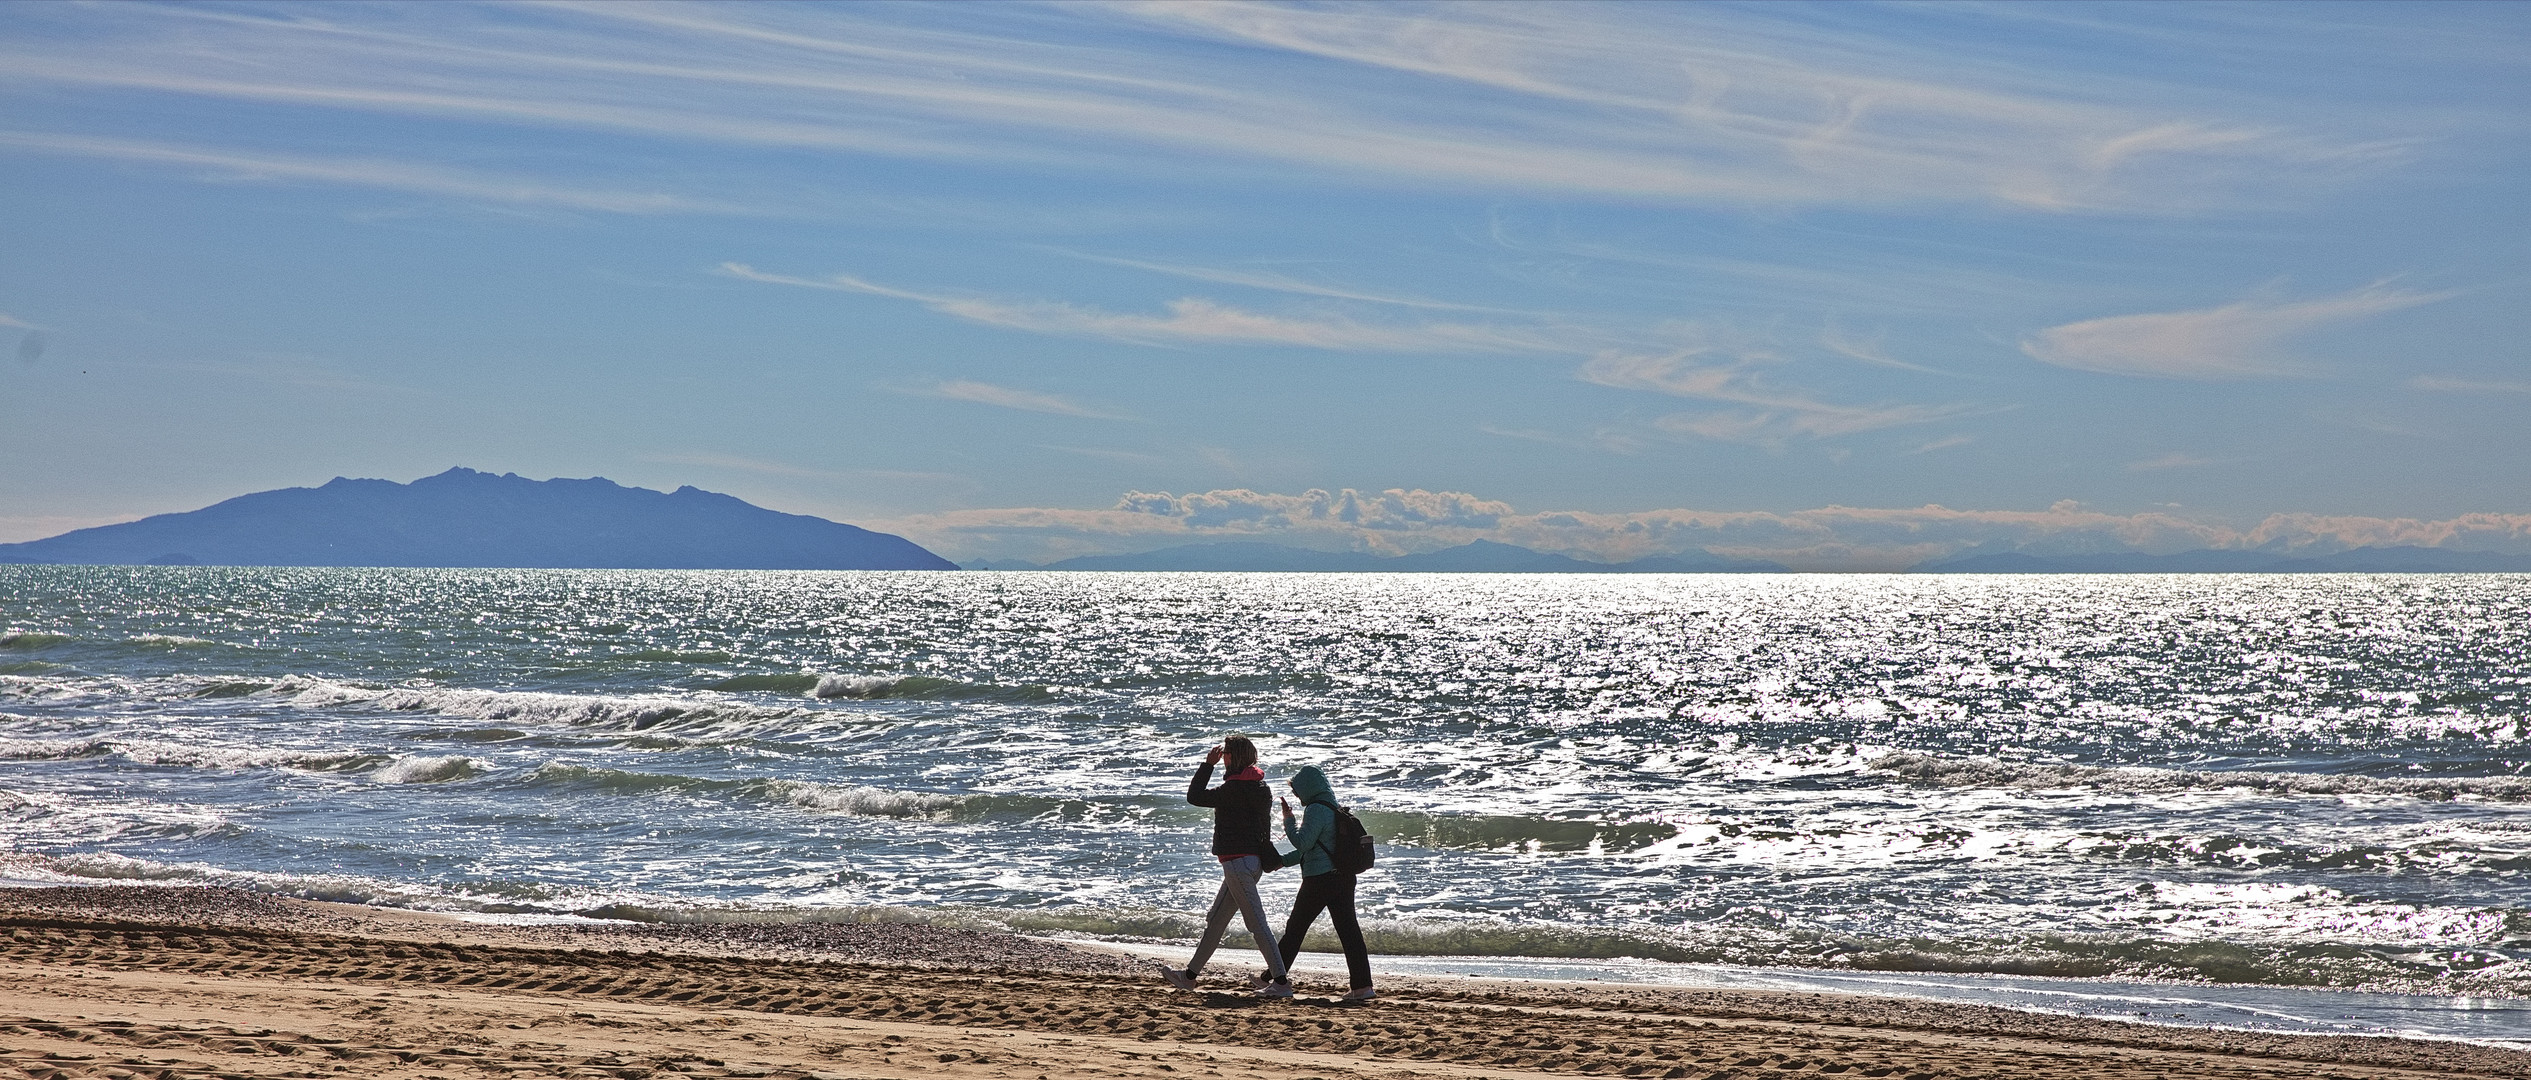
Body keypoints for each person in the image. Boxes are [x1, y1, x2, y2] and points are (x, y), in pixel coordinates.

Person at [1159, 735, 1293, 998]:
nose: (1223, 758)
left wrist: (1207, 765)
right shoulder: (1260, 788)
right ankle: (1188, 977)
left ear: (1235, 757)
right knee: (1216, 921)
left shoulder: (1232, 790)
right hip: (1250, 864)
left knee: (1257, 924)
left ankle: (1281, 982)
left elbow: (1194, 796)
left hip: (1238, 865)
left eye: (1226, 754)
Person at [1274, 765, 1374, 1001]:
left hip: (1320, 879)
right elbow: (1313, 850)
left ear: (1308, 788)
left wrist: (1288, 821)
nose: (1297, 797)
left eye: (1297, 791)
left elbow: (1302, 843)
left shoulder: (1316, 809)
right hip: (1344, 877)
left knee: (1295, 929)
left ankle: (1275, 980)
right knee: (1349, 932)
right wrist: (1282, 862)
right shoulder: (1333, 807)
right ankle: (1363, 987)